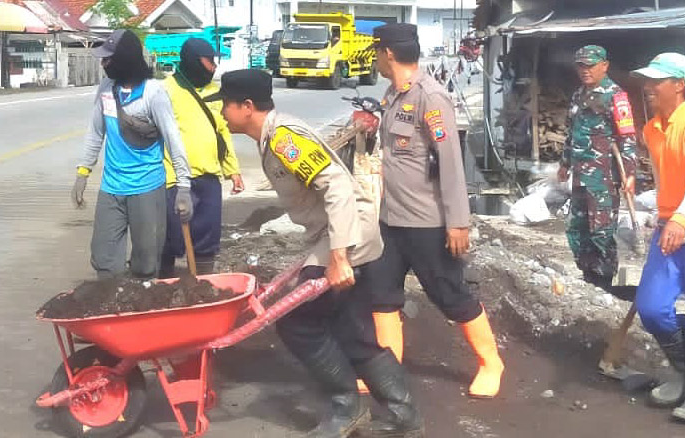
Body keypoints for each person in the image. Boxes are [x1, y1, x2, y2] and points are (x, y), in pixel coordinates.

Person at [210, 69, 424, 437]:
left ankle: (347, 406)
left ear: (247, 106)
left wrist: (338, 256)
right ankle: (404, 416)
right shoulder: (273, 137)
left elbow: (337, 186)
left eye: (226, 105)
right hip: (342, 233)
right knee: (351, 330)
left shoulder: (283, 140)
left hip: (346, 235)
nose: (222, 113)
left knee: (298, 323)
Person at [369, 23, 504, 399]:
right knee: (380, 294)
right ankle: (387, 372)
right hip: (390, 220)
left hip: (426, 223)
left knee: (449, 293)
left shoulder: (431, 97)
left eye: (377, 52)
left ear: (389, 53)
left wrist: (458, 222)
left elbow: (450, 163)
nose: (376, 59)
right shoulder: (392, 94)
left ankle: (491, 362)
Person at [70, 29, 193, 279]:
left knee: (146, 260)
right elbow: (96, 131)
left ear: (124, 60)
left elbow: (173, 140)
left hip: (147, 187)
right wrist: (83, 173)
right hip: (111, 188)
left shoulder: (153, 94)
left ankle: (140, 306)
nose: (103, 64)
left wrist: (183, 187)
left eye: (108, 59)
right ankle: (110, 304)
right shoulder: (106, 89)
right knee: (103, 258)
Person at [631, 53, 685, 423]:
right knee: (652, 306)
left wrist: (680, 217)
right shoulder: (651, 130)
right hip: (670, 230)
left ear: (679, 85)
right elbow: (668, 182)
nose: (648, 87)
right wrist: (657, 210)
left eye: (656, 81)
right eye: (648, 80)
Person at [558, 45, 638, 300]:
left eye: (590, 65)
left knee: (601, 230)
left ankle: (603, 280)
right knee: (577, 227)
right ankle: (587, 274)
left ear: (604, 65)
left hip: (604, 177)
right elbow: (572, 133)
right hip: (580, 174)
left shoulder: (616, 96)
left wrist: (630, 173)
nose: (585, 71)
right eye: (581, 66)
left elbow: (627, 137)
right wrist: (564, 162)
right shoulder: (578, 95)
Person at [160, 38, 245, 277]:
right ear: (194, 62)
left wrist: (232, 170)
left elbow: (223, 132)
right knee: (169, 236)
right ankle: (161, 286)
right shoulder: (165, 90)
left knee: (207, 238)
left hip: (209, 177)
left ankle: (202, 285)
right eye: (210, 61)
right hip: (174, 178)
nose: (214, 66)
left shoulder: (214, 92)